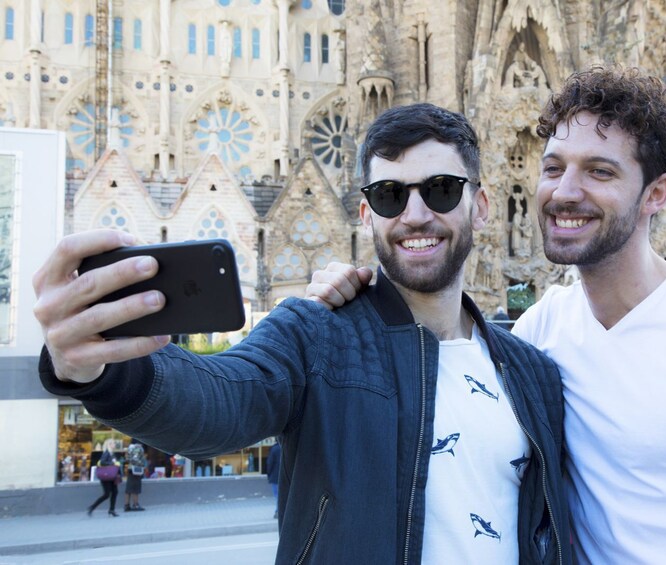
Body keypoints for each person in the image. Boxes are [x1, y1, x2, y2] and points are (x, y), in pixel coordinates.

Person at [307, 66, 666, 563]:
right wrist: (353, 297)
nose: (566, 192)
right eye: (553, 168)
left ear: (656, 193)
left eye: (600, 172)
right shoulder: (540, 331)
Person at [33, 103, 571, 564]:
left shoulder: (533, 372)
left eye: (440, 190)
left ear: (479, 206)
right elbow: (221, 400)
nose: (414, 214)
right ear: (365, 215)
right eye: (389, 194)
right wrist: (99, 368)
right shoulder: (317, 335)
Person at [88, 441, 120, 517]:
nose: (115, 444)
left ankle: (112, 510)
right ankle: (92, 507)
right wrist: (112, 464)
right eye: (113, 443)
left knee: (115, 492)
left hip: (112, 477)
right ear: (109, 445)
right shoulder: (106, 453)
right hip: (106, 477)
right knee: (106, 494)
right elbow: (102, 462)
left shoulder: (112, 453)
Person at [124, 438, 146, 512]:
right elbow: (136, 459)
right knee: (135, 488)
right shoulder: (138, 448)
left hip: (130, 469)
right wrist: (142, 464)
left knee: (129, 488)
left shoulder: (129, 448)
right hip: (136, 470)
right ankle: (136, 505)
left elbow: (127, 458)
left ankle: (127, 505)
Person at [266, 438, 281, 519]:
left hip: (275, 477)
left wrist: (269, 475)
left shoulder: (274, 449)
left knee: (277, 496)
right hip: (287, 477)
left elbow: (269, 463)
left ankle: (278, 512)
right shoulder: (287, 447)